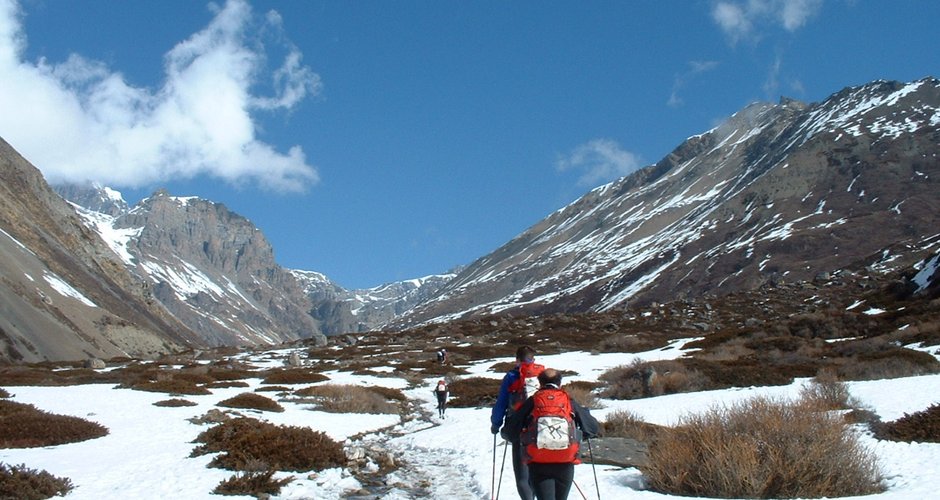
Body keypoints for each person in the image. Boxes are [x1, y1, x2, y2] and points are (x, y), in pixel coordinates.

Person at [503, 368, 600, 500]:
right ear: (559, 382)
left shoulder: (533, 401)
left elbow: (510, 432)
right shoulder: (568, 401)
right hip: (565, 460)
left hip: (539, 462)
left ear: (540, 382)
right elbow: (592, 428)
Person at [491, 346, 545, 500]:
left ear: (517, 360)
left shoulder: (511, 376)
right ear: (533, 359)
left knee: (522, 477)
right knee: (539, 472)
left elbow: (501, 403)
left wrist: (496, 424)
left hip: (519, 429)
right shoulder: (543, 375)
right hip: (542, 428)